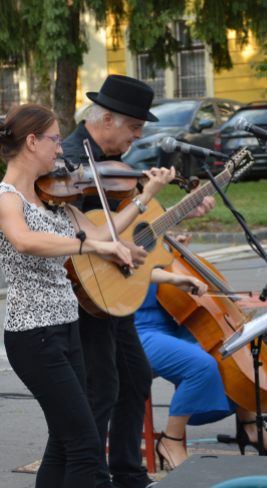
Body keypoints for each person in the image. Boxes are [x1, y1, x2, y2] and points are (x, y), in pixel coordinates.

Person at [0, 103, 181, 488]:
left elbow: (104, 235)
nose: (61, 149)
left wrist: (143, 199)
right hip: (33, 334)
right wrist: (86, 247)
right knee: (85, 446)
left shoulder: (54, 200)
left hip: (66, 329)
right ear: (31, 142)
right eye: (55, 140)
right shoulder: (6, 199)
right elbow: (25, 242)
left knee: (63, 442)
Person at [60, 75, 216, 488]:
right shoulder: (70, 160)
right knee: (100, 389)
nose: (138, 136)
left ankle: (129, 473)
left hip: (118, 290)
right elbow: (83, 230)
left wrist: (174, 220)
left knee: (135, 378)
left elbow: (130, 234)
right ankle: (90, 477)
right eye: (134, 127)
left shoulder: (114, 167)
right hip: (84, 291)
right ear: (107, 119)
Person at [135, 238, 267, 470]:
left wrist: (175, 250)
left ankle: (252, 426)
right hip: (136, 328)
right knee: (202, 364)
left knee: (233, 352)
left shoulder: (149, 225)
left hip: (173, 322)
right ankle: (171, 441)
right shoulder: (118, 230)